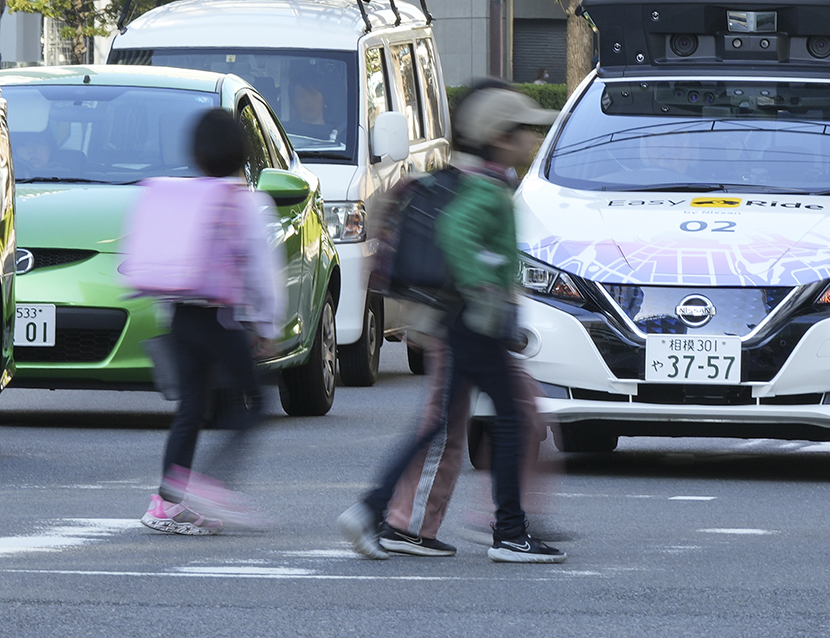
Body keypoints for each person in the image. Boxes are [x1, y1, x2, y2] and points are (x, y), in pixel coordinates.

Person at [340, 87, 565, 563]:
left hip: (458, 319)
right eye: (523, 130)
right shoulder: (487, 190)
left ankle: (372, 508)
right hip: (474, 321)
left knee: (447, 422)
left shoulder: (484, 182)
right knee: (507, 418)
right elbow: (456, 234)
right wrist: (483, 292)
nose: (530, 139)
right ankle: (509, 534)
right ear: (500, 138)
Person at [129, 108, 285, 535]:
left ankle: (164, 503)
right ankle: (207, 483)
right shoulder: (249, 203)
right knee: (257, 401)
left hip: (180, 315)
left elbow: (167, 260)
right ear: (242, 155)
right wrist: (267, 326)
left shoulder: (180, 198)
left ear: (197, 156)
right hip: (220, 319)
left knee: (192, 408)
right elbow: (261, 271)